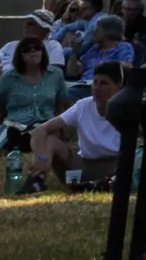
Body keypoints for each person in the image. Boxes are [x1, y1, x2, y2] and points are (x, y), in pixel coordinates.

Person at [27, 61, 132, 190]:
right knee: (50, 141)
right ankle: (36, 181)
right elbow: (40, 130)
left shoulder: (128, 109)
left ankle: (94, 185)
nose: (96, 87)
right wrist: (41, 158)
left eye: (103, 83)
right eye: (95, 82)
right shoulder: (83, 106)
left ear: (118, 86)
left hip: (114, 167)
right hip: (84, 167)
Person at [0, 38, 69, 192]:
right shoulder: (9, 78)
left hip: (46, 124)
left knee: (47, 133)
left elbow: (60, 108)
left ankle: (36, 177)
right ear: (19, 56)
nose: (33, 52)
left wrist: (62, 133)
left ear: (43, 51)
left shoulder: (56, 75)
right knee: (38, 135)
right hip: (16, 122)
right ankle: (22, 143)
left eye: (37, 48)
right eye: (26, 50)